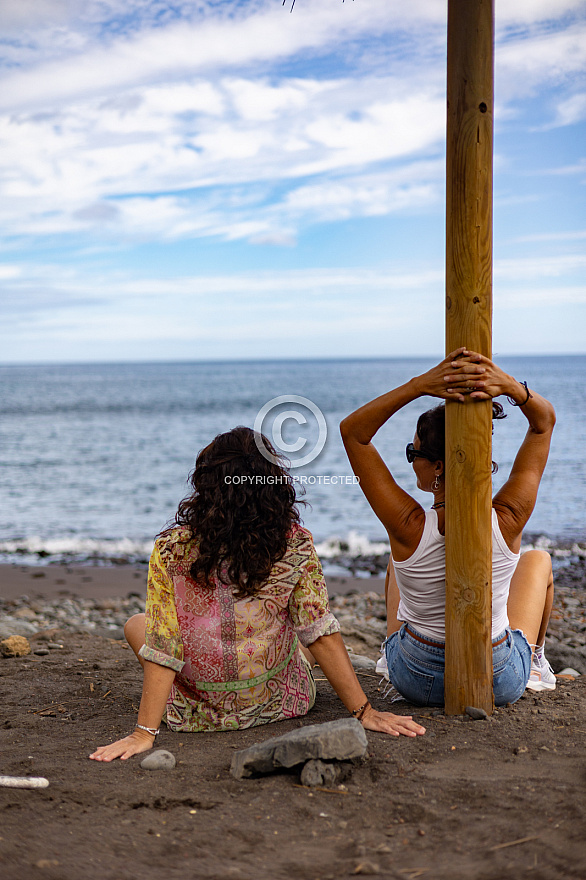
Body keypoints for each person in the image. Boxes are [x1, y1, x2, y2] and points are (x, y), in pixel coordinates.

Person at [90, 426, 425, 762]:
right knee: (295, 628)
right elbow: (318, 631)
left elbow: (165, 646)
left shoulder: (170, 550)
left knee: (137, 624)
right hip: (281, 703)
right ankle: (302, 664)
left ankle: (292, 661)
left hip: (199, 716)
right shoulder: (294, 543)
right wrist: (364, 712)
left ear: (205, 486)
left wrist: (143, 733)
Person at [340, 348, 556, 707]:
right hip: (498, 678)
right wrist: (511, 388)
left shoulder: (407, 525)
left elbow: (353, 432)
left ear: (437, 465)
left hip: (416, 677)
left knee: (398, 563)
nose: (410, 460)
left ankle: (386, 658)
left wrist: (419, 386)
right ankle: (533, 662)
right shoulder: (509, 516)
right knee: (539, 560)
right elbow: (543, 422)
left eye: (413, 452)